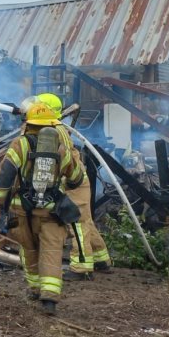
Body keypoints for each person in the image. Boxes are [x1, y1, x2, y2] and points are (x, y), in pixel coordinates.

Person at [0, 100, 86, 316]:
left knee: (29, 249)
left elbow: (5, 172)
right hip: (52, 211)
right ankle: (49, 298)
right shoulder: (62, 146)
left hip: (22, 210)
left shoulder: (19, 144)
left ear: (29, 123)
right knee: (51, 252)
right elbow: (76, 177)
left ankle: (34, 288)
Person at [32, 93, 113, 278]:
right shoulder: (54, 127)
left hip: (73, 182)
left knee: (77, 223)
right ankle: (101, 259)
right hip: (74, 180)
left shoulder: (54, 131)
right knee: (86, 222)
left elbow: (62, 161)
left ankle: (82, 268)